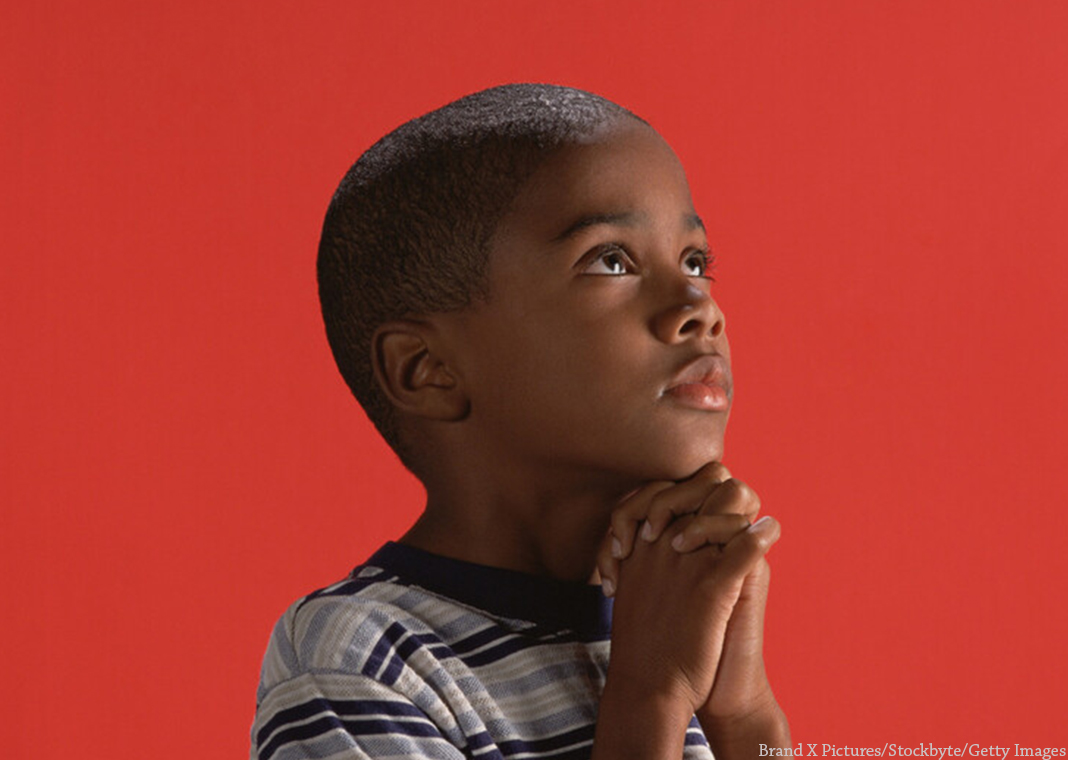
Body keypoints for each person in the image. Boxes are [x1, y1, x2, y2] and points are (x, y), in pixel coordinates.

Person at [251, 83, 791, 760]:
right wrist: (648, 700)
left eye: (695, 262)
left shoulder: (665, 618)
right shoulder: (358, 664)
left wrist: (742, 714)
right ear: (428, 369)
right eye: (612, 261)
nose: (698, 306)